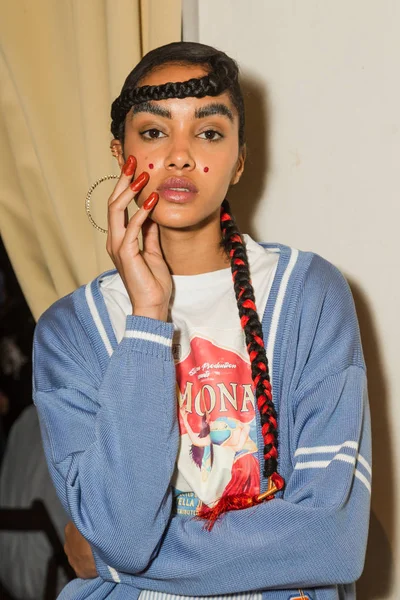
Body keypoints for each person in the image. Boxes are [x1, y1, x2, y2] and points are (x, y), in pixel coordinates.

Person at [33, 41, 371, 600]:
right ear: (121, 154)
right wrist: (147, 318)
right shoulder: (72, 332)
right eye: (154, 132)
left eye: (209, 132)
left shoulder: (308, 295)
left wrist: (120, 563)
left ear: (239, 159)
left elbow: (331, 538)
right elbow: (121, 528)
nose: (181, 155)